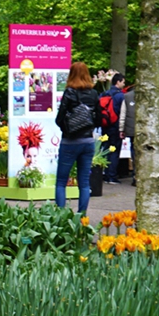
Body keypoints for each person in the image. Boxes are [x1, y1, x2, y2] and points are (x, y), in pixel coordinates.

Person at [53, 61, 101, 216]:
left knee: (61, 181)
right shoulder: (94, 94)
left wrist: (68, 129)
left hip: (70, 142)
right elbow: (99, 119)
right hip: (87, 142)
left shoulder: (69, 92)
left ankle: (61, 217)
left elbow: (59, 118)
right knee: (84, 183)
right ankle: (81, 217)